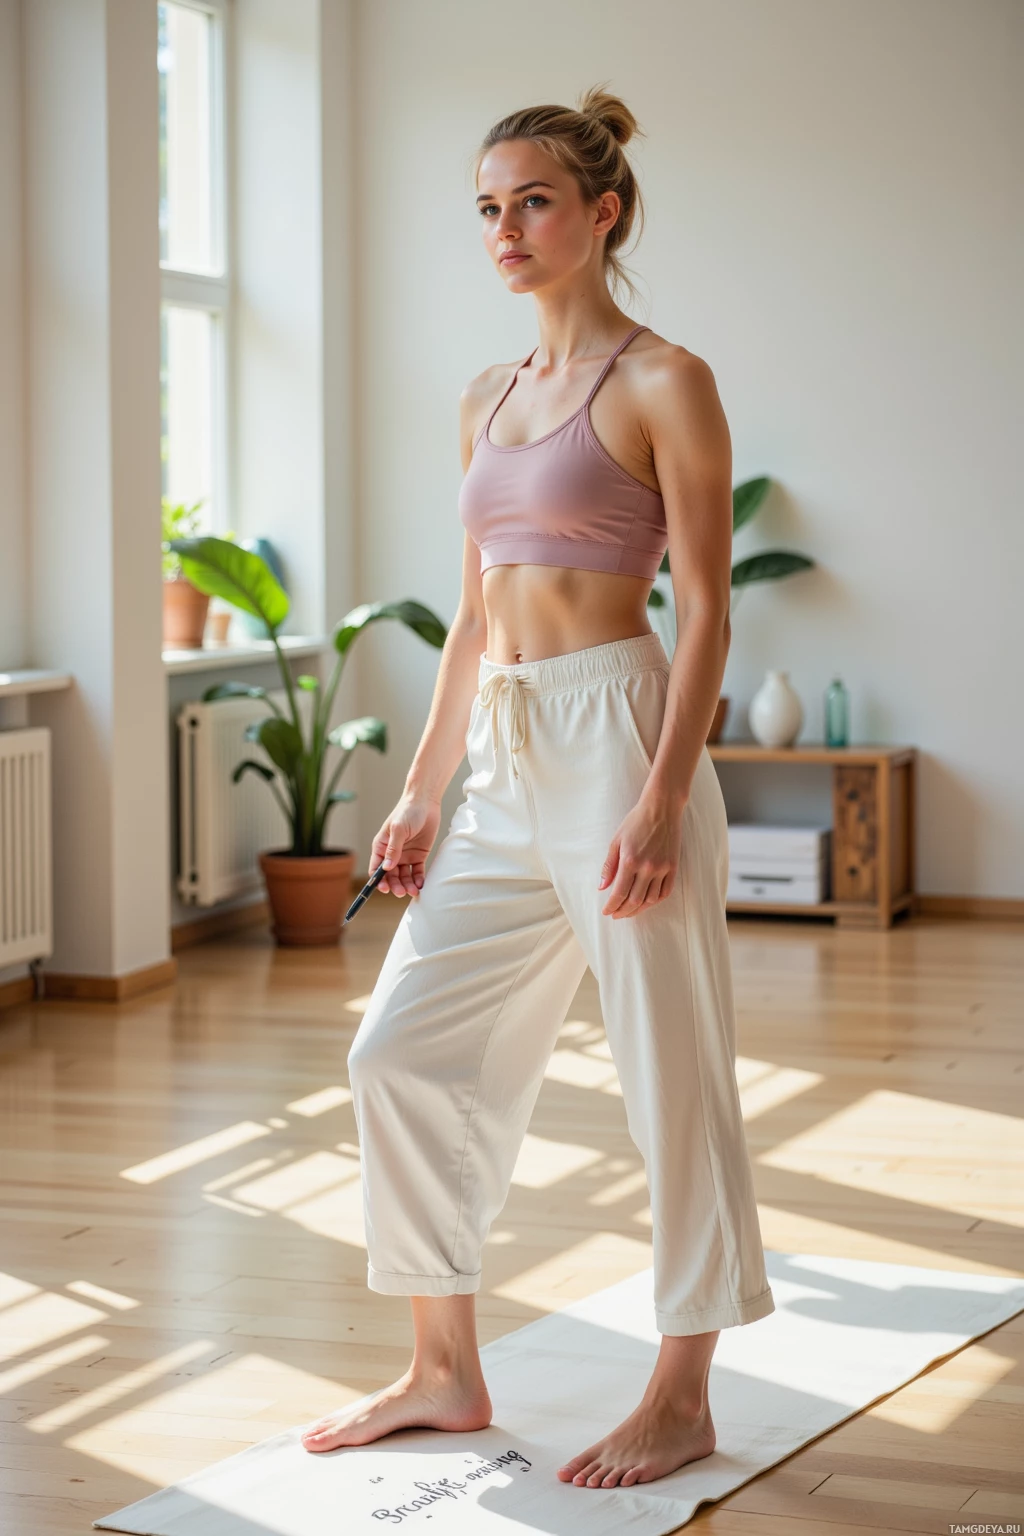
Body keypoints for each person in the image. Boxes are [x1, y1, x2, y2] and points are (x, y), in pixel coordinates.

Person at [300, 84, 774, 1489]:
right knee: (400, 1049)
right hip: (504, 748)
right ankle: (445, 1368)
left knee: (670, 1074)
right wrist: (424, 786)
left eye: (535, 203)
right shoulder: (486, 397)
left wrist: (658, 794)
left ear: (603, 212)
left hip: (622, 733)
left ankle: (682, 1389)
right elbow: (472, 615)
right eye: (490, 208)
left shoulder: (664, 381)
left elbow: (707, 612)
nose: (506, 230)